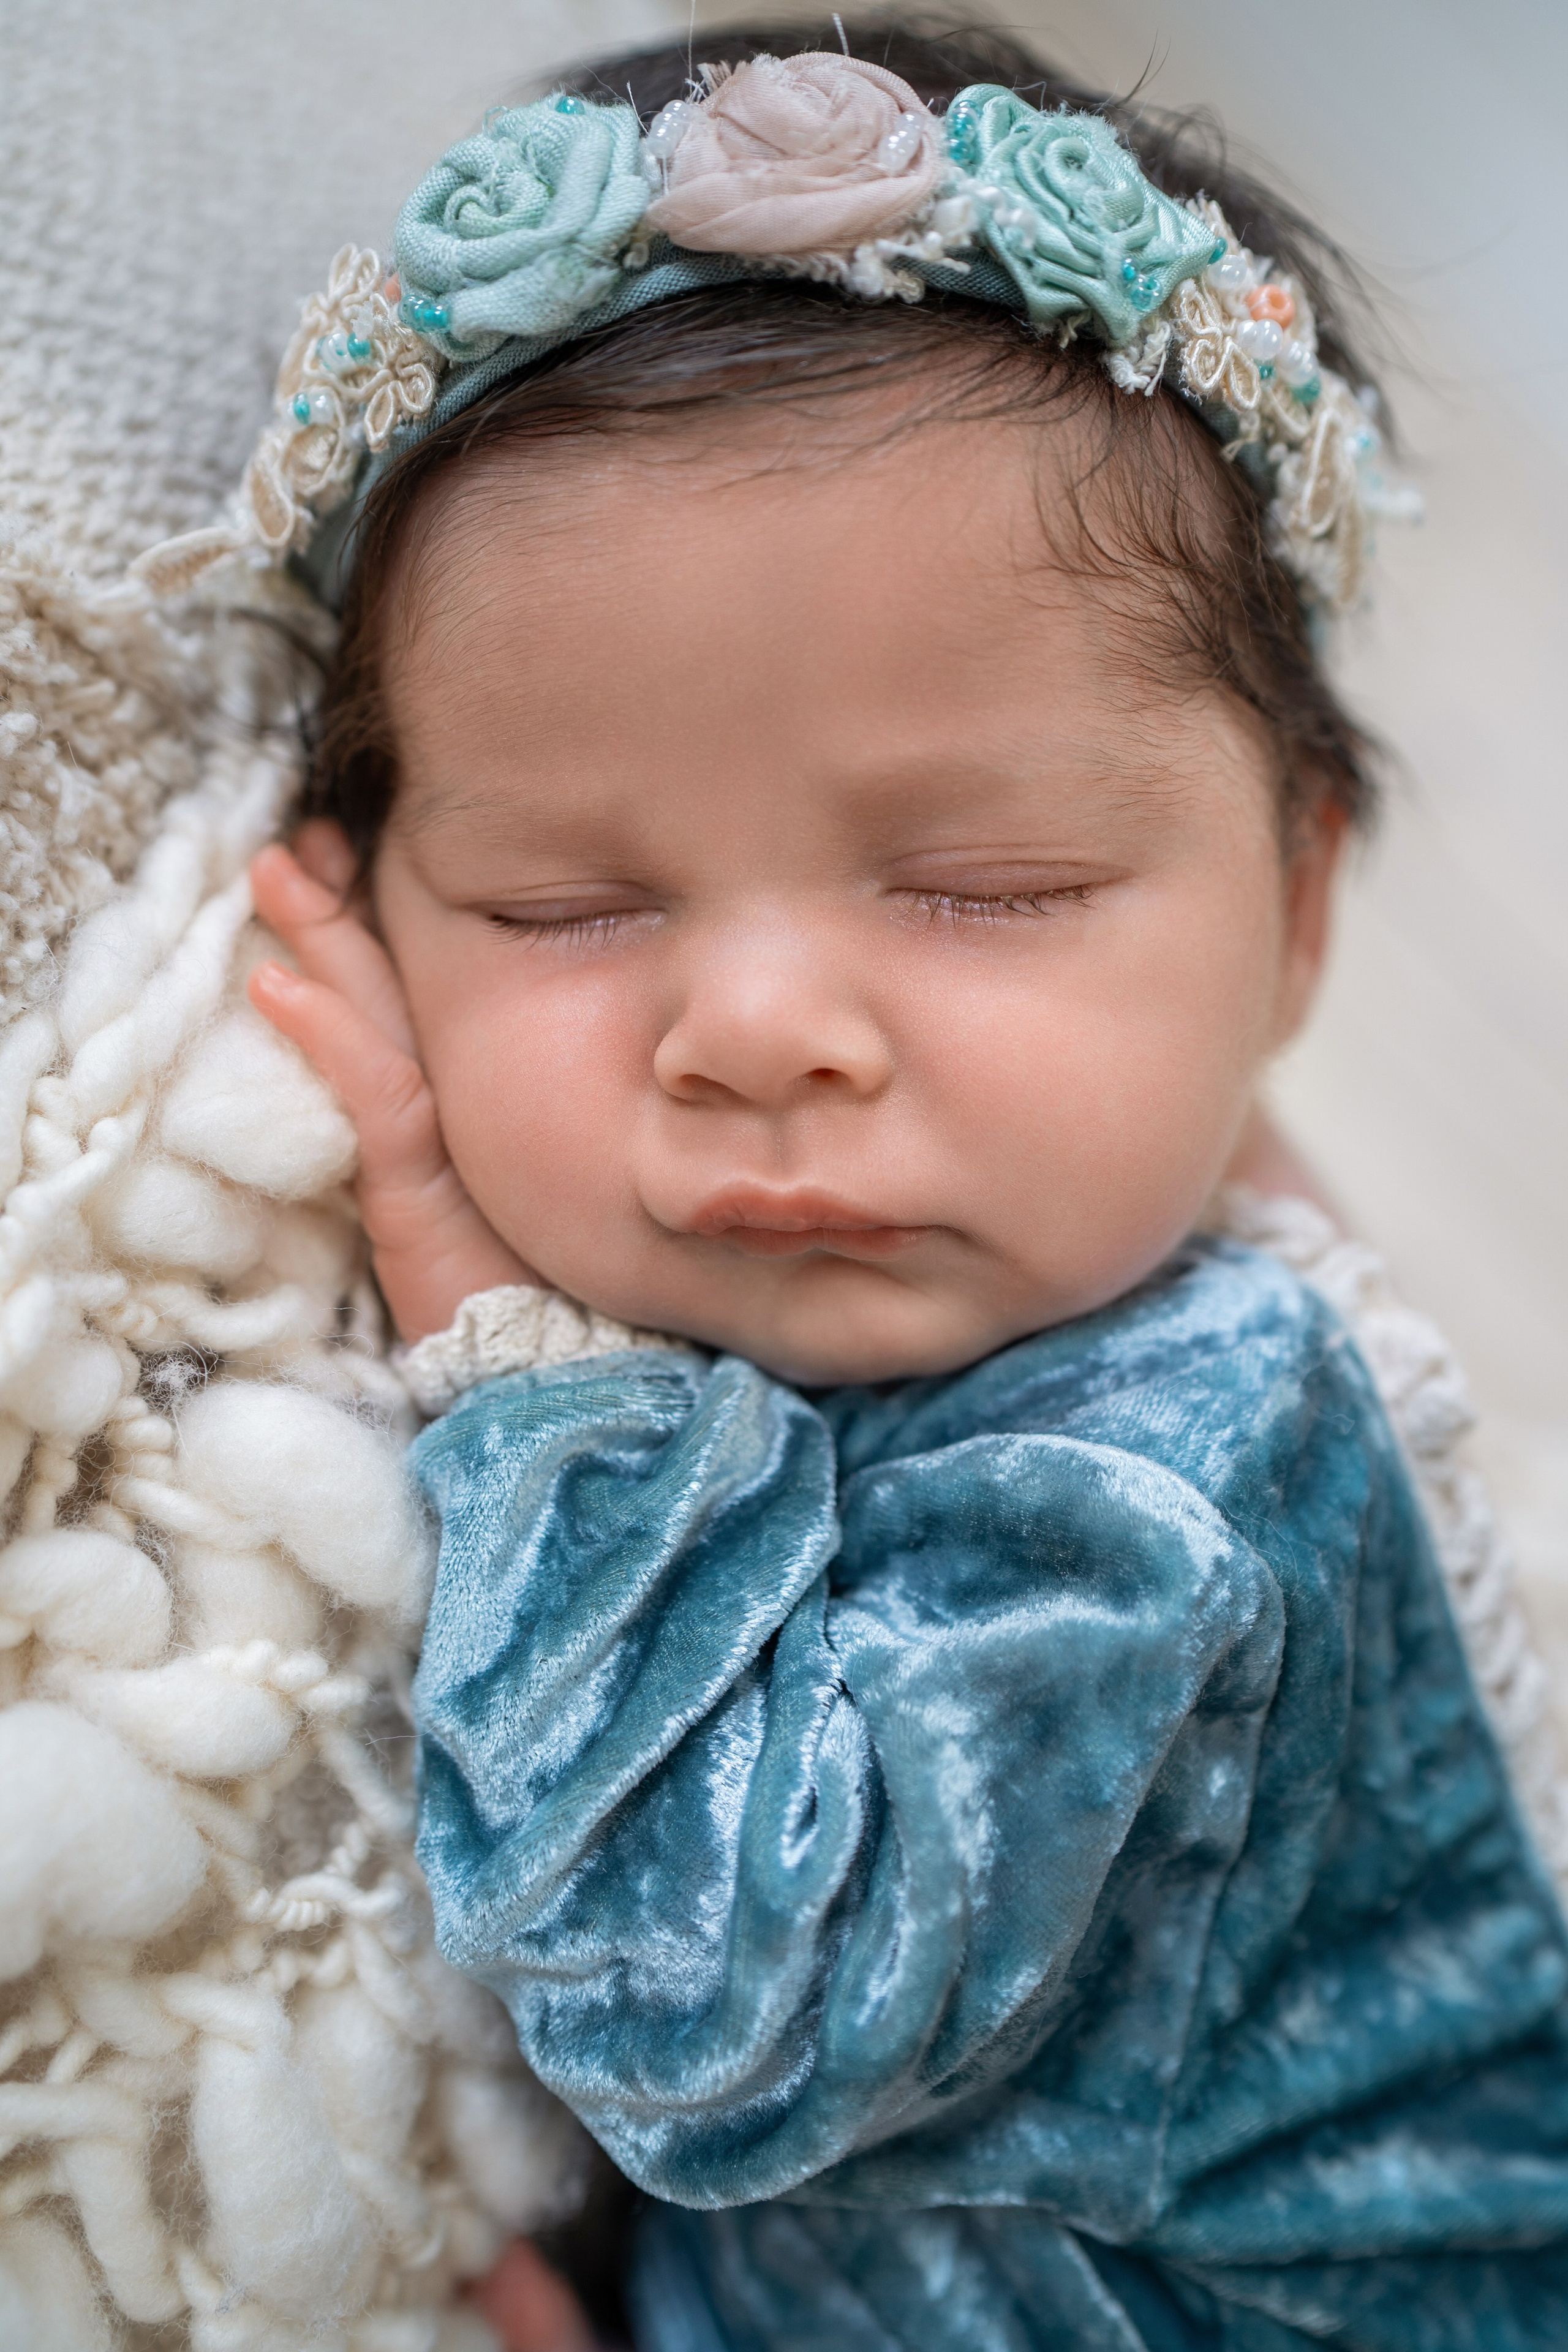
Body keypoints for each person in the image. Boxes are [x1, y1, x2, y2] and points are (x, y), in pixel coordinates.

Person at [181, 17, 1568, 2346]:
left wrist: (492, 1318)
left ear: (1295, 918)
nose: (757, 1034)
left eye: (993, 886)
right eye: (560, 907)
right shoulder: (1048, 1247)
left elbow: (724, 2013)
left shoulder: (1189, 1449)